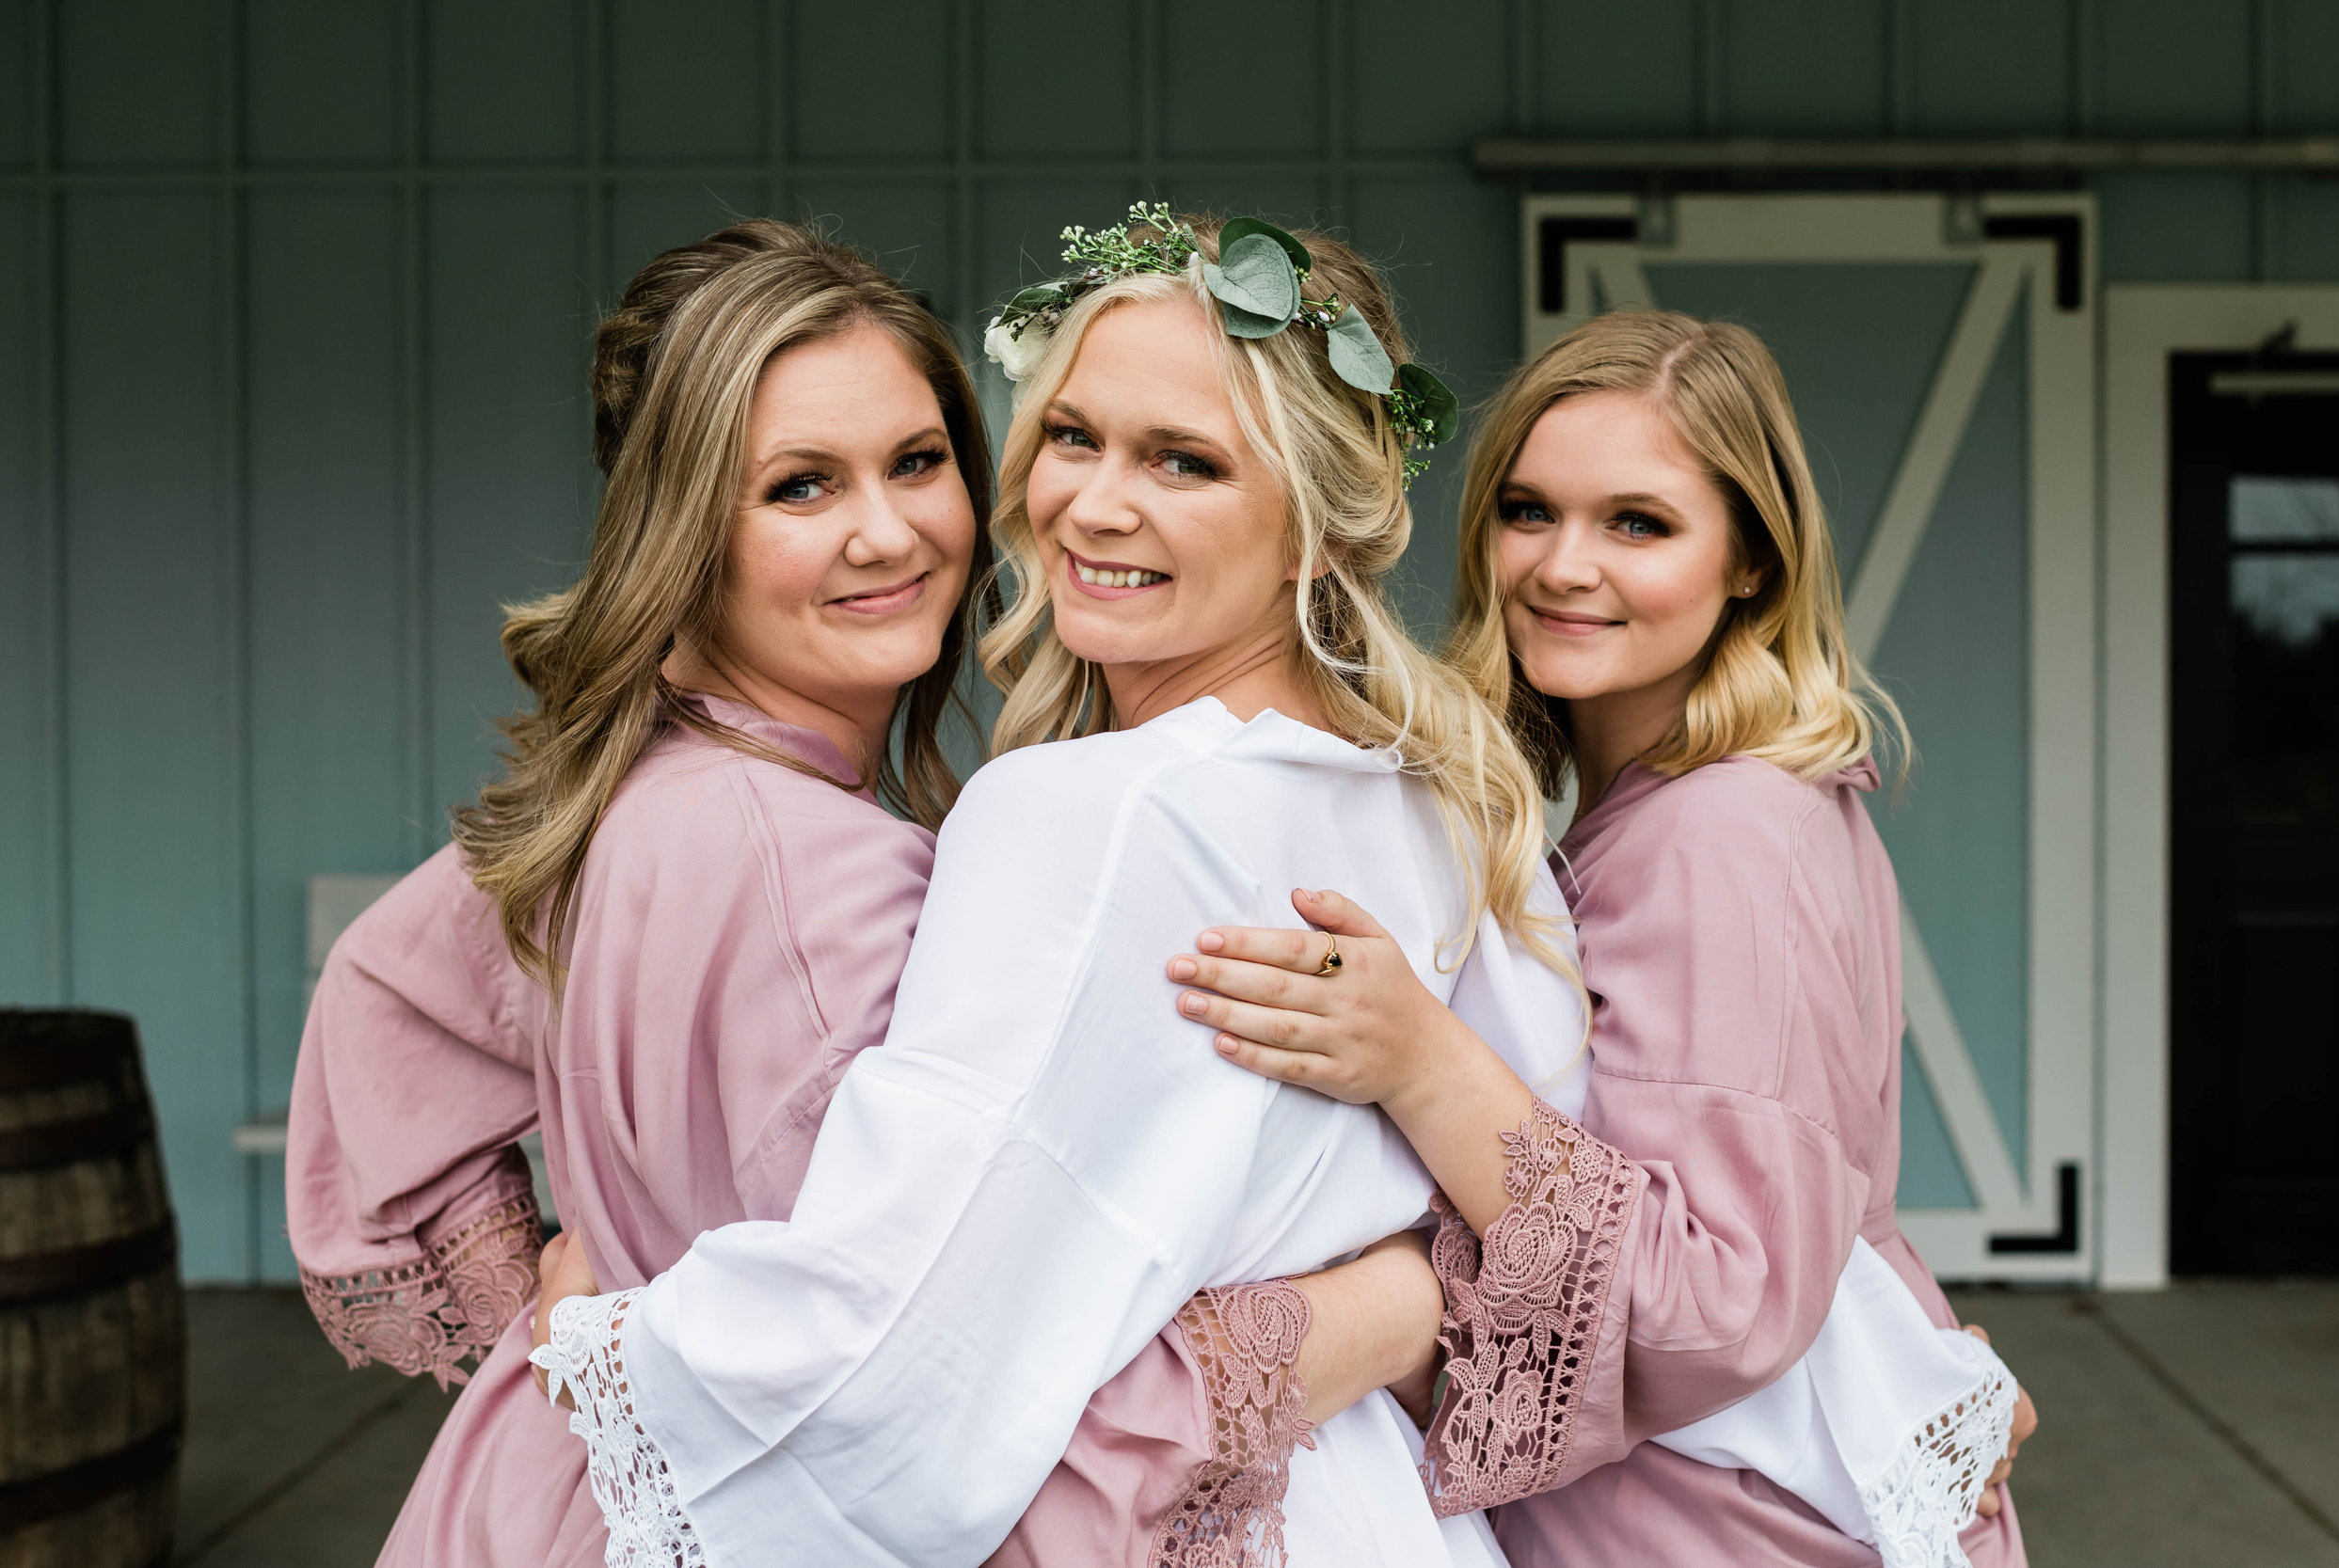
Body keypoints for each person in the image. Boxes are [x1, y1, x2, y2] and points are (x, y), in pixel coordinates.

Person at [283, 218, 1439, 1567]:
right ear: (681, 533)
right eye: (800, 488)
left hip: (580, 1500)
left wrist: (580, 1317)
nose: (886, 533)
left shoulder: (624, 792)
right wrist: (1395, 1302)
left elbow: (380, 998)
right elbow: (941, 1403)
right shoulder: (836, 886)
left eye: (916, 462)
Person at [526, 206, 1587, 1568]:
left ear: (1316, 527)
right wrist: (1398, 1300)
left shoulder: (1087, 814)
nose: (1093, 503)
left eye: (1184, 462)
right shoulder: (1461, 806)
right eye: (1074, 435)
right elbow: (1545, 1241)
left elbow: (900, 1355)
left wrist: (594, 1348)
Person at [1165, 309, 2037, 1567]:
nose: (1564, 566)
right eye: (1530, 511)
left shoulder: (1726, 831)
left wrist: (1416, 1064)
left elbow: (1711, 1304)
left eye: (1639, 523)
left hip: (1726, 1529)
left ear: (1753, 561)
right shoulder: (1699, 802)